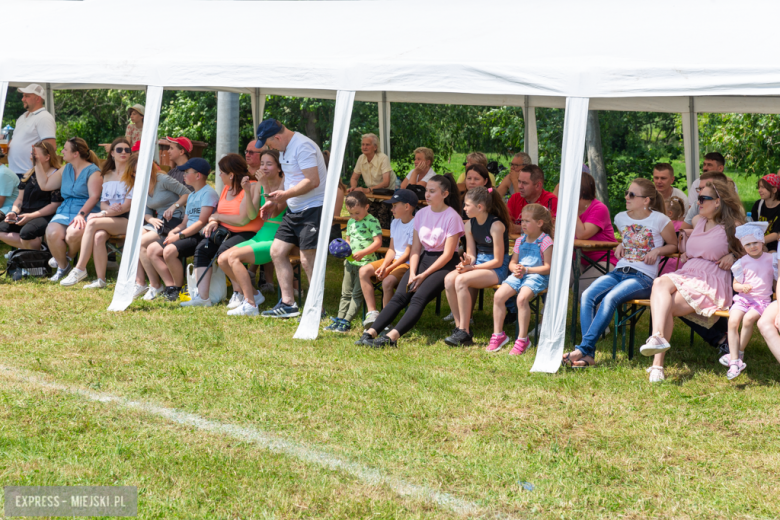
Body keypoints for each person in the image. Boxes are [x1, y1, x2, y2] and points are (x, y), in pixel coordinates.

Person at [563, 178, 677, 368]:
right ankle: (588, 354)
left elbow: (673, 245)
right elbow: (631, 239)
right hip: (619, 271)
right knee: (587, 295)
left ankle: (583, 349)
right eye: (627, 193)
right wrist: (621, 244)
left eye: (632, 194)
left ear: (646, 200)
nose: (626, 197)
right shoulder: (620, 218)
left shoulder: (660, 220)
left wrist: (657, 250)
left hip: (643, 277)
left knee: (610, 299)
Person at [640, 179, 744, 382]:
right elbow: (689, 243)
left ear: (718, 201)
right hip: (687, 273)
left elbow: (753, 251)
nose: (699, 203)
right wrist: (687, 250)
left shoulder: (734, 226)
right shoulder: (698, 221)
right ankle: (657, 339)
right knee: (659, 283)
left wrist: (734, 256)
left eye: (704, 198)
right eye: (698, 198)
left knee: (666, 304)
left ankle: (657, 366)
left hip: (711, 278)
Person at [356, 174, 464, 348]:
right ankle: (370, 333)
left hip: (445, 263)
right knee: (399, 296)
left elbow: (447, 254)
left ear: (445, 194)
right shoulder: (421, 214)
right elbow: (415, 248)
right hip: (423, 259)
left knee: (418, 298)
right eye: (426, 191)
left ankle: (391, 338)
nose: (427, 195)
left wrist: (423, 275)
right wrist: (413, 272)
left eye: (432, 191)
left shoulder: (453, 217)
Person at [253, 119, 328, 319]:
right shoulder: (285, 148)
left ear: (277, 137)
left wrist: (284, 196)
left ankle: (317, 308)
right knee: (276, 251)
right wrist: (275, 200)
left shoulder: (303, 147)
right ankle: (288, 304)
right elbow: (290, 181)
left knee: (307, 260)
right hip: (294, 210)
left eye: (270, 144)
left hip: (313, 209)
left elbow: (312, 181)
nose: (271, 148)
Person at [181, 153, 263, 307]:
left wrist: (218, 217)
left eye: (222, 172)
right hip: (226, 231)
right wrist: (213, 220)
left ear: (231, 175)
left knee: (223, 252)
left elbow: (242, 220)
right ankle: (202, 297)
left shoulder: (250, 186)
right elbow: (218, 213)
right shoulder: (226, 188)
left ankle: (243, 292)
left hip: (248, 233)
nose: (219, 175)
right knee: (202, 248)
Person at [218, 149, 287, 315]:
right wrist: (248, 192)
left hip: (278, 236)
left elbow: (274, 212)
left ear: (279, 168)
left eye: (269, 164)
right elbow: (250, 215)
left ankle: (250, 304)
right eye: (262, 163)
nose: (263, 167)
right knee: (222, 259)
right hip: (262, 233)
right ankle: (254, 295)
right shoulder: (258, 185)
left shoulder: (285, 185)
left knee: (234, 257)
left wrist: (264, 185)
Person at [59, 141, 136, 288]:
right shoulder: (106, 175)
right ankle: (101, 280)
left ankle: (80, 268)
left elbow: (126, 207)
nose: (124, 152)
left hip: (127, 220)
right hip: (110, 219)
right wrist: (107, 210)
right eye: (119, 149)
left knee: (92, 221)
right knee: (99, 236)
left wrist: (103, 214)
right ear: (112, 153)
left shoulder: (132, 174)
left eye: (127, 149)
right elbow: (103, 204)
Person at [444, 186, 511, 346]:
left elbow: (498, 261)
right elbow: (472, 254)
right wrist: (466, 262)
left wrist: (471, 268)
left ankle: (465, 331)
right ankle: (460, 327)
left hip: (496, 269)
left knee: (461, 281)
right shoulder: (469, 225)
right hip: (479, 264)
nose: (464, 208)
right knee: (448, 280)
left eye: (467, 205)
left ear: (479, 207)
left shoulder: (496, 225)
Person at [489, 203, 554, 354]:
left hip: (537, 276)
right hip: (520, 274)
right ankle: (498, 335)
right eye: (522, 221)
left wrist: (527, 270)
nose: (523, 224)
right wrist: (515, 268)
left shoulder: (546, 241)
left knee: (522, 299)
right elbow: (512, 262)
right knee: (498, 296)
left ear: (539, 223)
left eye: (527, 221)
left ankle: (522, 339)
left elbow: (548, 268)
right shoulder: (520, 240)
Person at [151, 158, 218, 300]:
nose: (184, 175)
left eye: (187, 172)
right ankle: (170, 286)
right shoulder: (192, 195)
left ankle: (177, 288)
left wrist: (179, 236)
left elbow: (201, 222)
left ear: (198, 175)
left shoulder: (208, 193)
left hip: (200, 235)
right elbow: (184, 222)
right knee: (152, 250)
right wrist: (173, 232)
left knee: (168, 251)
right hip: (187, 233)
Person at [42, 137, 102, 282]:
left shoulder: (94, 171)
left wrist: (81, 215)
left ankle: (70, 255)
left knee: (73, 234)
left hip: (85, 210)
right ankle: (63, 267)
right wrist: (38, 163)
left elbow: (94, 197)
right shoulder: (66, 168)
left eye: (65, 149)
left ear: (76, 154)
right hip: (65, 210)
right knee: (51, 232)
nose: (62, 152)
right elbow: (46, 185)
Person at [133, 156, 191, 300]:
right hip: (158, 221)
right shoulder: (141, 185)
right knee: (133, 240)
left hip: (175, 220)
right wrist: (151, 219)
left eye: (137, 172)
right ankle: (141, 282)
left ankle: (158, 285)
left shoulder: (163, 180)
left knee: (141, 243)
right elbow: (146, 211)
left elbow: (187, 194)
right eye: (133, 174)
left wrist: (174, 206)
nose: (136, 176)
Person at [723, 222, 777, 380]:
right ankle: (734, 361)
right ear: (743, 246)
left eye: (755, 243)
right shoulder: (742, 263)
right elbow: (735, 285)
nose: (752, 246)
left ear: (762, 242)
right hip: (744, 299)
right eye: (748, 244)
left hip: (761, 301)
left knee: (747, 320)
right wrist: (742, 286)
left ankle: (738, 354)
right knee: (733, 321)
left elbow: (776, 281)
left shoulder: (771, 260)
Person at [325, 191, 383, 332]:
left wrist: (363, 252)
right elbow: (348, 240)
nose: (354, 217)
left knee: (356, 294)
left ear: (367, 207)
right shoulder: (350, 222)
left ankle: (347, 321)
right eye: (351, 213)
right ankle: (339, 318)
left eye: (357, 213)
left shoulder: (372, 221)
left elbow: (378, 242)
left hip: (365, 264)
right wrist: (344, 249)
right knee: (345, 293)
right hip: (350, 263)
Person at [359, 189, 417, 327]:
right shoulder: (395, 222)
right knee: (363, 271)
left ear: (407, 207)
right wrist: (384, 266)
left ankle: (385, 321)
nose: (392, 209)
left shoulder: (415, 225)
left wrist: (389, 269)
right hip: (393, 260)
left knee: (387, 282)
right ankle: (372, 312)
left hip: (406, 263)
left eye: (395, 206)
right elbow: (392, 249)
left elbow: (407, 253)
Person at [0, 141, 62, 251]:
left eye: (34, 154)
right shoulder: (29, 173)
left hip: (44, 215)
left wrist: (31, 216)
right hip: (25, 212)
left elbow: (54, 205)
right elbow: (19, 199)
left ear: (47, 157)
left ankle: (32, 253)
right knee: (1, 228)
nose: (31, 157)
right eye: (31, 154)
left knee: (26, 233)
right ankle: (38, 250)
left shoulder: (56, 175)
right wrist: (14, 212)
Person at [572, 171, 618, 296]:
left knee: (583, 287)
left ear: (580, 191)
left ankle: (594, 316)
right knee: (557, 280)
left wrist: (571, 210)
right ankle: (547, 316)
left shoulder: (599, 208)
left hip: (604, 260)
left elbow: (582, 234)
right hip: (578, 259)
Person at [6, 84, 56, 180]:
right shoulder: (23, 116)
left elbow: (51, 147)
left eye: (27, 96)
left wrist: (35, 169)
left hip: (29, 173)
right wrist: (6, 146)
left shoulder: (44, 117)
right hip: (14, 171)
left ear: (38, 99)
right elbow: (16, 139)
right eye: (23, 96)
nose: (23, 99)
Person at [507, 164, 558, 234]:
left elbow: (549, 229)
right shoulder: (514, 198)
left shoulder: (551, 200)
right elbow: (505, 225)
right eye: (519, 181)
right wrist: (532, 228)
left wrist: (519, 229)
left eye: (524, 183)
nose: (519, 186)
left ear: (537, 186)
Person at [659, 195, 692, 276]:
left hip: (665, 261)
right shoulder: (684, 226)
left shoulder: (664, 226)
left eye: (661, 212)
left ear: (670, 214)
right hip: (680, 262)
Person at [750, 174, 780, 251]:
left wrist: (757, 243)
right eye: (759, 187)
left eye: (763, 187)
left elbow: (776, 234)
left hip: (775, 247)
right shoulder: (758, 205)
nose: (759, 190)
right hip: (760, 243)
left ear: (774, 190)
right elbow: (752, 225)